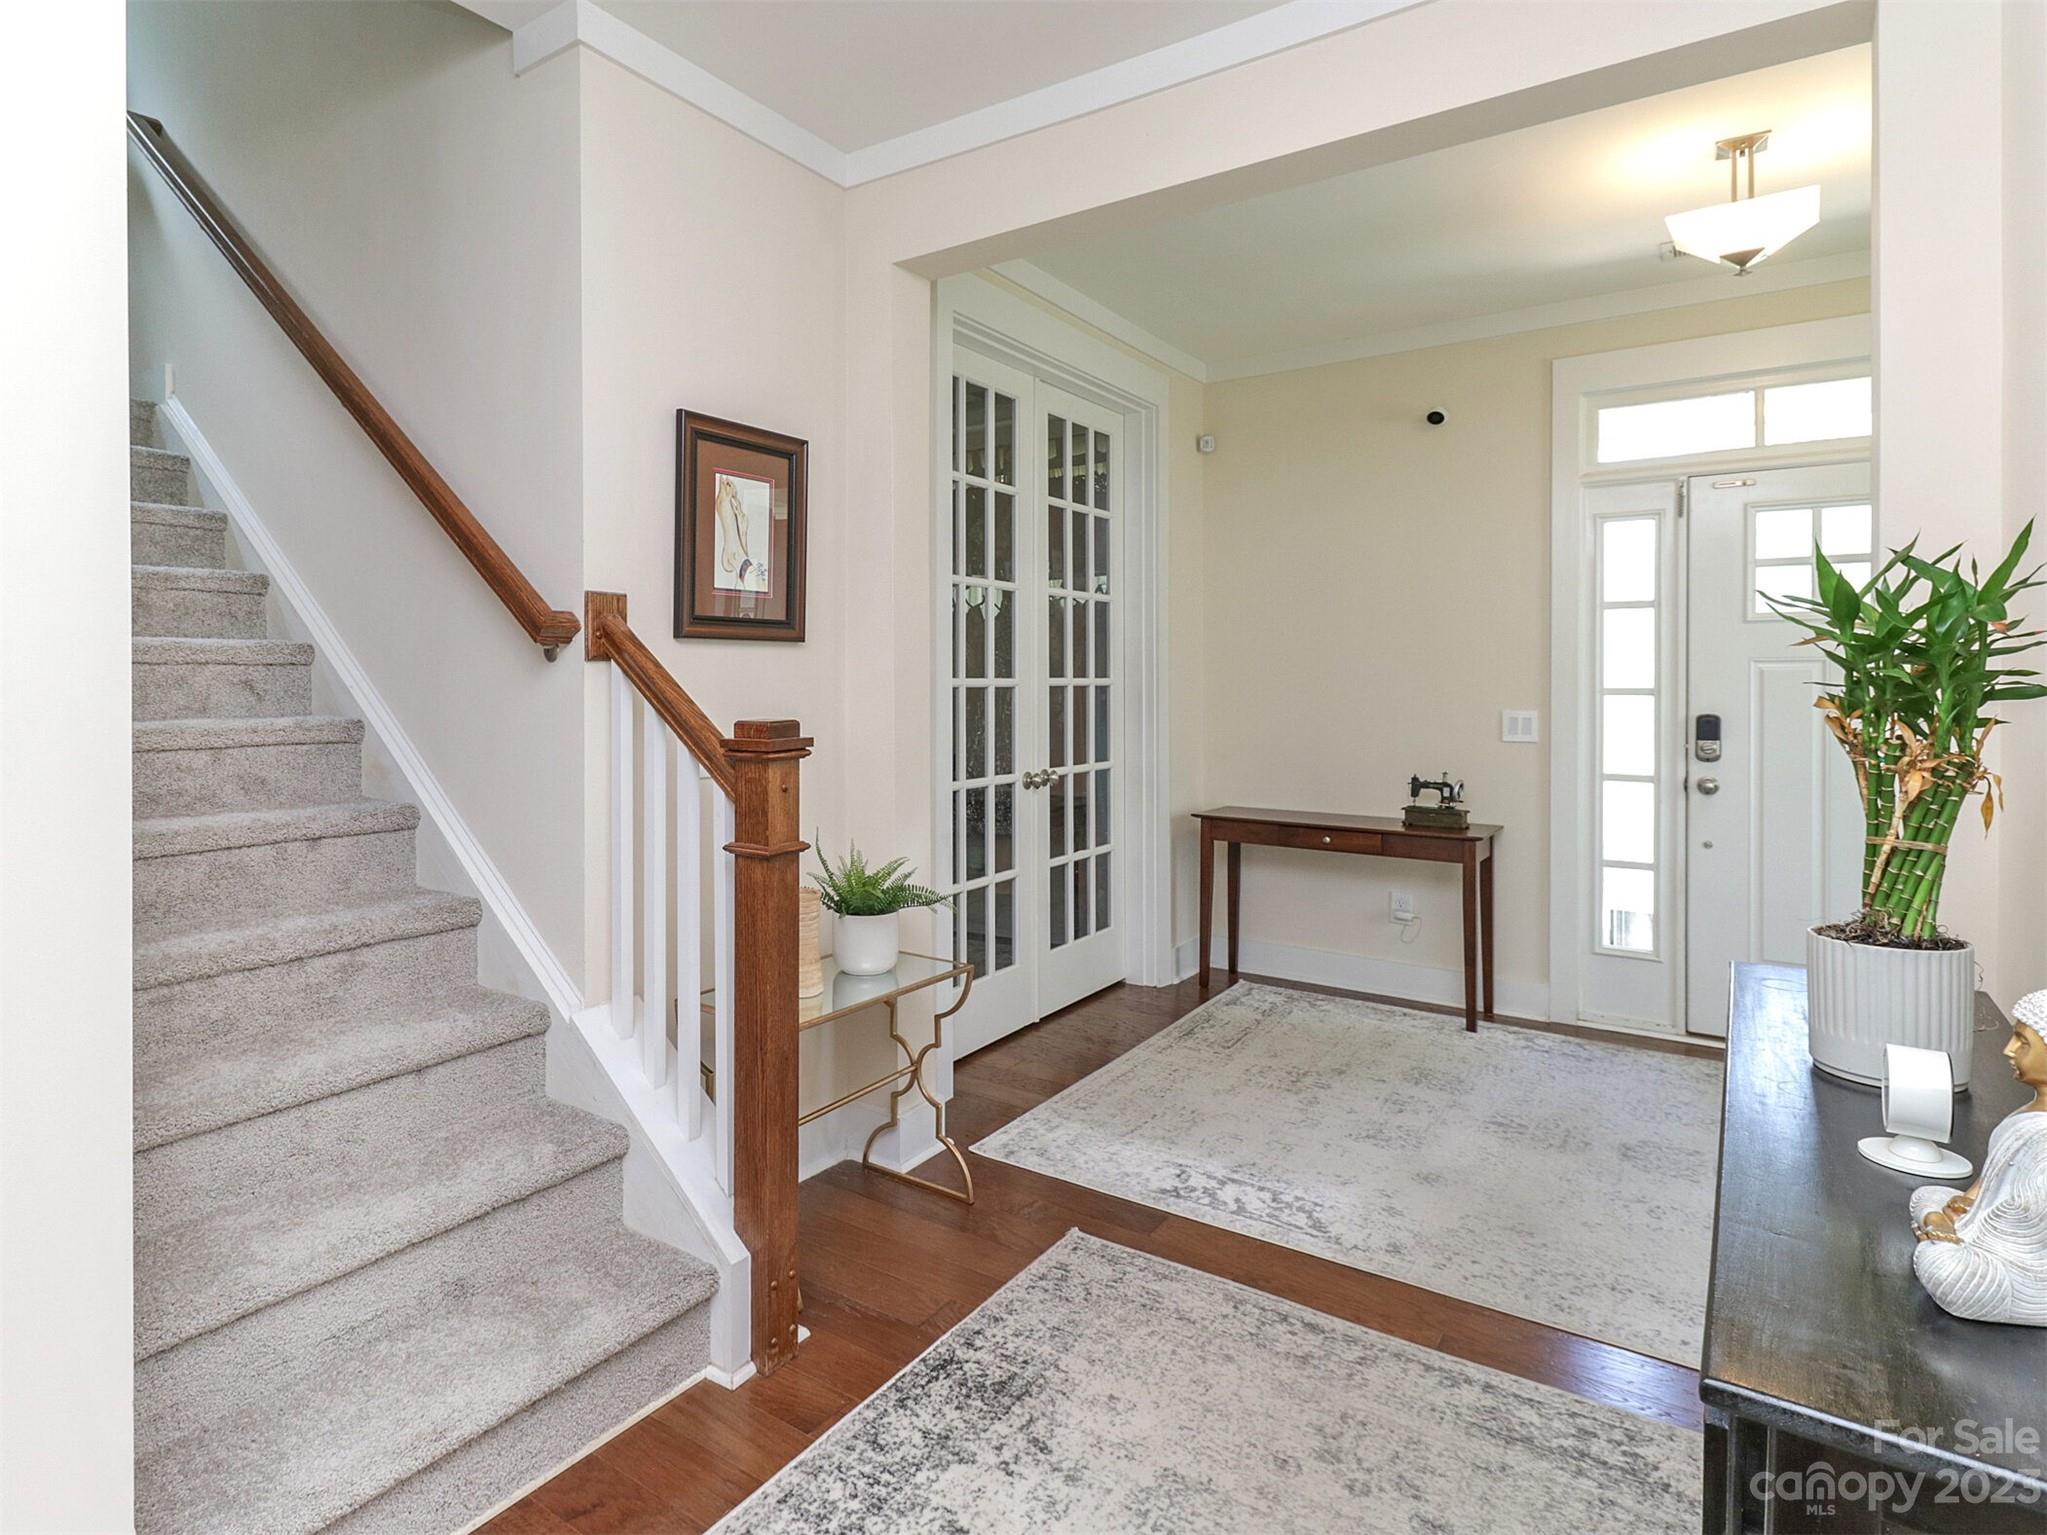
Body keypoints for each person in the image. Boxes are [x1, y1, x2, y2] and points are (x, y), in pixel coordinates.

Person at [1910, 999, 2047, 1326]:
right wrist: (1967, 1202)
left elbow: (2029, 1217)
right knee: (1926, 1195)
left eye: (2023, 1042)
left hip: (2023, 1266)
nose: (2008, 1049)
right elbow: (1991, 1179)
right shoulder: (2030, 1113)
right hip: (1985, 1231)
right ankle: (1941, 1232)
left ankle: (1941, 1237)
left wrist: (1971, 1226)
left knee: (1946, 1270)